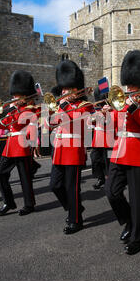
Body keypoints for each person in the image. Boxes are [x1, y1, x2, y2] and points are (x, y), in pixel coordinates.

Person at [105, 50, 140, 255]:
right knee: (111, 191)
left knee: (138, 200)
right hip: (119, 152)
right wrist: (105, 114)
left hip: (138, 153)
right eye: (127, 85)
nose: (128, 89)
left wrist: (134, 108)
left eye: (132, 86)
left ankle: (137, 236)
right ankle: (129, 221)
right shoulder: (123, 100)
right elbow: (114, 124)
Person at [48, 60, 94, 234]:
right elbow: (49, 124)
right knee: (54, 185)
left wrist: (64, 107)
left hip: (74, 149)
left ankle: (75, 220)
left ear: (76, 89)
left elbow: (78, 123)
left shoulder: (84, 106)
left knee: (72, 187)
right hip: (59, 149)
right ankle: (74, 208)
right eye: (63, 89)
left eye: (67, 89)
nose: (63, 92)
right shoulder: (60, 106)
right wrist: (52, 112)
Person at [0, 70, 38, 216]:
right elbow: (4, 125)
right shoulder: (13, 109)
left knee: (24, 178)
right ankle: (8, 202)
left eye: (17, 95)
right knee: (0, 174)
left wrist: (14, 108)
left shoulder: (30, 108)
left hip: (21, 145)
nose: (14, 98)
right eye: (14, 95)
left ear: (25, 95)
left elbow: (24, 123)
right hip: (10, 146)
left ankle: (29, 204)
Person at [89, 87, 114, 190]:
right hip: (97, 139)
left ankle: (109, 180)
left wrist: (104, 114)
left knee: (108, 161)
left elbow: (109, 123)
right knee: (94, 159)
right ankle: (100, 178)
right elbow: (90, 122)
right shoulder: (95, 108)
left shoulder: (111, 108)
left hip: (108, 140)